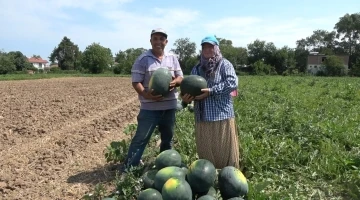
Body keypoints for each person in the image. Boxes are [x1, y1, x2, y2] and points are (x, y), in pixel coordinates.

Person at [122, 28, 184, 172]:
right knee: (140, 139)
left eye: (161, 39)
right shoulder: (143, 59)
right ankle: (129, 169)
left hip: (169, 107)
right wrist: (146, 94)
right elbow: (135, 81)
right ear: (150, 41)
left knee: (167, 138)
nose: (158, 42)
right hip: (150, 108)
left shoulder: (172, 58)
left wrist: (176, 82)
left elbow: (180, 77)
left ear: (166, 42)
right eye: (155, 38)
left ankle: (165, 166)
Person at [181, 35, 240, 169]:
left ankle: (228, 176)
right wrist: (186, 98)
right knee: (207, 151)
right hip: (202, 116)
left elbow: (233, 83)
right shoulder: (196, 68)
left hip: (221, 115)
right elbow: (190, 87)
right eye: (204, 47)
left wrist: (211, 91)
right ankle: (209, 177)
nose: (207, 49)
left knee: (224, 150)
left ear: (216, 48)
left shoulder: (224, 64)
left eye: (210, 46)